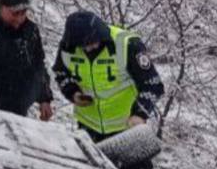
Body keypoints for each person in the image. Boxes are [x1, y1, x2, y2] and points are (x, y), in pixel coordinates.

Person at [52, 10, 163, 140]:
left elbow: (153, 84)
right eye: (83, 45)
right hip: (88, 128)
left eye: (91, 42)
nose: (88, 48)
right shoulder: (68, 47)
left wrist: (140, 113)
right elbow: (61, 73)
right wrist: (73, 93)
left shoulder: (127, 45)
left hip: (126, 127)